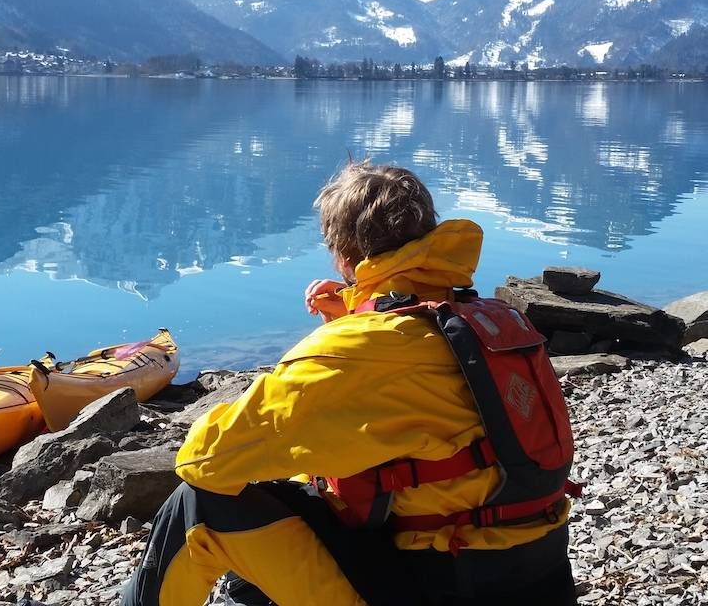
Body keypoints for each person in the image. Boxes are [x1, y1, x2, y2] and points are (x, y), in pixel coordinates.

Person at [120, 162, 577, 606]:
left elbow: (205, 459)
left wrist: (329, 343)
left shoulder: (358, 348)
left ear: (344, 253)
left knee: (200, 507)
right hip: (538, 577)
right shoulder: (486, 323)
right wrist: (355, 311)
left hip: (443, 587)